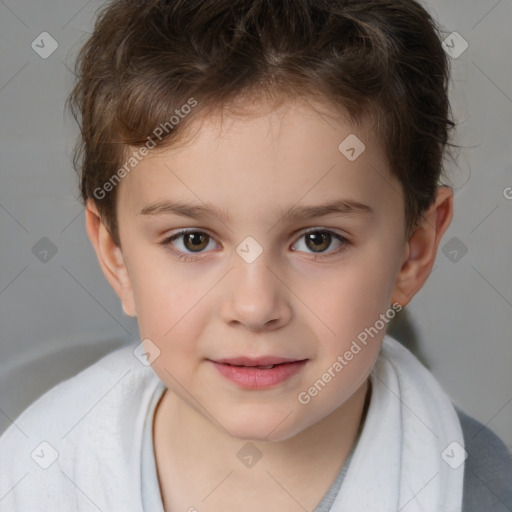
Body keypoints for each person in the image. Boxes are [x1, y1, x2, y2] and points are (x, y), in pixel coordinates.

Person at [0, 0, 510, 510]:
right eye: (193, 240)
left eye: (318, 240)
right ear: (115, 255)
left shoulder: (482, 492)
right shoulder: (34, 475)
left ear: (412, 252)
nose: (254, 306)